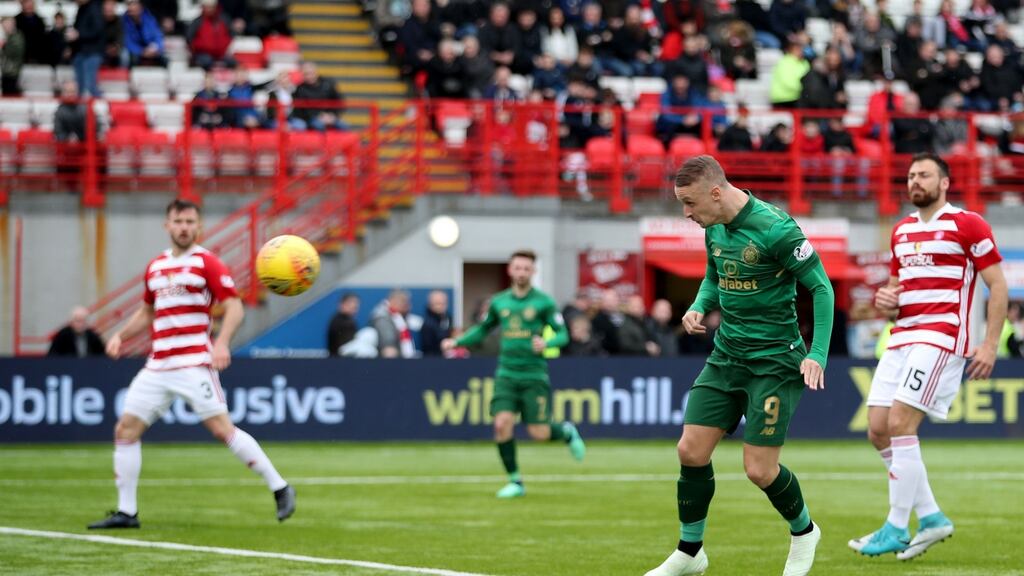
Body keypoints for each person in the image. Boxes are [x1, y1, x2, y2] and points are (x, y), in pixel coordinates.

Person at [645, 155, 833, 576]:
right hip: (726, 355)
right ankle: (690, 553)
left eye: (689, 203)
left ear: (715, 192)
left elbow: (821, 287)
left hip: (774, 361)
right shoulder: (713, 227)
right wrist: (698, 306)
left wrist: (817, 353)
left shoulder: (777, 229)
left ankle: (804, 532)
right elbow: (714, 276)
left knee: (759, 470)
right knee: (690, 450)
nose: (686, 214)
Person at [88, 199, 295, 529]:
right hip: (158, 365)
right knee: (125, 429)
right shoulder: (155, 267)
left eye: (189, 222)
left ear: (198, 227)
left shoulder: (207, 263)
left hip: (192, 363)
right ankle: (127, 512)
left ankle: (280, 487)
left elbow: (234, 307)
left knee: (221, 429)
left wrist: (221, 343)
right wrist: (119, 336)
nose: (184, 227)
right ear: (167, 226)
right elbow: (147, 311)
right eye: (178, 221)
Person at [848, 153, 1008, 559]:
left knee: (901, 422)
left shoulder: (967, 224)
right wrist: (886, 299)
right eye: (911, 176)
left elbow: (998, 285)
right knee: (877, 428)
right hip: (902, 335)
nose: (915, 182)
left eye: (924, 175)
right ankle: (931, 517)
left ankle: (897, 526)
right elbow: (897, 290)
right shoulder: (900, 231)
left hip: (941, 337)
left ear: (944, 183)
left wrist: (988, 344)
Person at [441, 250, 586, 498]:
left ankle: (567, 432)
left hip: (533, 375)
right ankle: (515, 481)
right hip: (506, 374)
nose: (521, 272)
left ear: (533, 272)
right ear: (510, 270)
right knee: (501, 423)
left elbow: (562, 334)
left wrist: (548, 344)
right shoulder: (499, 302)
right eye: (517, 268)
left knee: (539, 433)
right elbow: (483, 329)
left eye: (526, 268)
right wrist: (458, 342)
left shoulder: (544, 302)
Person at [420, 289, 451, 356]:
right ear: (430, 304)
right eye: (438, 303)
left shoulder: (449, 318)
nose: (441, 306)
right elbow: (429, 347)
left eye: (444, 303)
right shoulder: (427, 324)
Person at [326, 292, 359, 357]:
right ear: (342, 304)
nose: (355, 309)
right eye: (351, 306)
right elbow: (346, 348)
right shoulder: (341, 322)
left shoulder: (347, 321)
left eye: (356, 307)